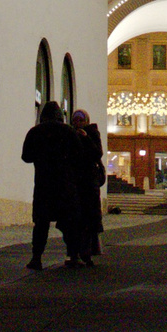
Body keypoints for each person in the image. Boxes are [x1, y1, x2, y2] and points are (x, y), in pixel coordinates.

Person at [22, 100, 78, 271]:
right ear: (60, 115)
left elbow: (26, 157)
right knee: (68, 222)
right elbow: (79, 155)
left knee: (41, 223)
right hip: (64, 183)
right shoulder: (68, 131)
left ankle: (36, 257)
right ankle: (72, 255)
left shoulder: (35, 132)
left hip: (43, 183)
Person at [65, 107, 104, 267]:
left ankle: (86, 254)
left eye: (81, 120)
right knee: (74, 220)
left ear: (86, 121)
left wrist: (86, 138)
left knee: (88, 220)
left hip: (88, 183)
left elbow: (97, 154)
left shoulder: (92, 133)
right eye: (75, 120)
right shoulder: (69, 134)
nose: (78, 123)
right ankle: (74, 254)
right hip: (74, 182)